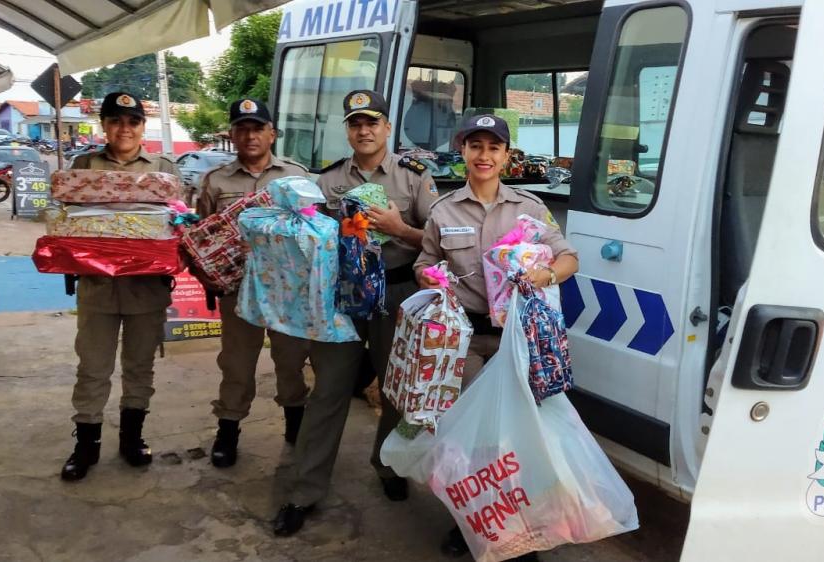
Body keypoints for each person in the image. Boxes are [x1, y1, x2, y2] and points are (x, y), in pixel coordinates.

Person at [272, 89, 438, 537]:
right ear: (347, 129)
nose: (364, 131)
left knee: (396, 390)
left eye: (372, 122)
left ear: (387, 127)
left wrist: (398, 228)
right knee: (328, 390)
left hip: (398, 291)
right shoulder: (325, 181)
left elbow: (437, 240)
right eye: (355, 123)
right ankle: (304, 491)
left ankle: (388, 466)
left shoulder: (413, 177)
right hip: (340, 297)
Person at [414, 114, 579, 560]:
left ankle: (522, 525)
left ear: (506, 156)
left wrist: (541, 275)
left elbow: (568, 259)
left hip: (517, 341)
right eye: (475, 146)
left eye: (493, 147)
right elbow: (425, 260)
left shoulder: (529, 207)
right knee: (469, 435)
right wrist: (428, 278)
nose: (484, 156)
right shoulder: (442, 210)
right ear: (463, 152)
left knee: (519, 433)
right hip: (465, 337)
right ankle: (469, 522)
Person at [60, 91, 180, 481]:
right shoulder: (83, 166)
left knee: (139, 367)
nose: (124, 128)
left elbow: (179, 225)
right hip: (97, 288)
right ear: (104, 125)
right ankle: (86, 445)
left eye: (132, 121)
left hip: (146, 289)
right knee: (92, 367)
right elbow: (66, 222)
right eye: (115, 121)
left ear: (143, 127)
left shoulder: (164, 170)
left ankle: (132, 439)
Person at [194, 98, 313, 468]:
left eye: (257, 128)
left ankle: (296, 426)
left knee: (291, 361)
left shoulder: (297, 177)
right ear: (231, 135)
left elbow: (314, 231)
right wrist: (208, 279)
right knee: (236, 363)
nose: (250, 136)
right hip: (239, 289)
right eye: (242, 128)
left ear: (272, 133)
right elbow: (198, 239)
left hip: (287, 290)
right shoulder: (216, 181)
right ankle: (228, 431)